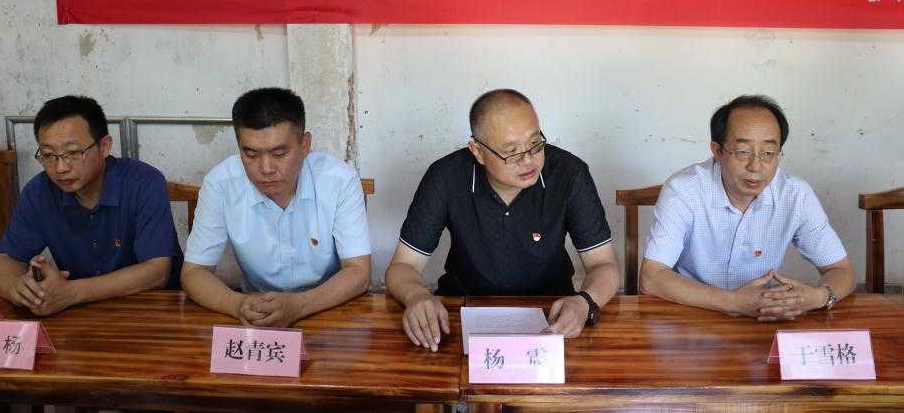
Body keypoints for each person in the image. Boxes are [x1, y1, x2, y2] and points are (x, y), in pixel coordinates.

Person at [386, 89, 619, 351]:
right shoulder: (446, 177)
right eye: (511, 151)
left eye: (535, 143)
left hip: (553, 316)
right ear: (478, 151)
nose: (528, 160)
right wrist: (417, 296)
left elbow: (604, 265)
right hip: (461, 311)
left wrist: (585, 301)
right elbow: (402, 267)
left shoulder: (569, 174)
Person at [640, 94, 856, 321]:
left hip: (762, 318)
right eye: (743, 152)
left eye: (768, 153)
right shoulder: (684, 190)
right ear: (717, 151)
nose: (756, 166)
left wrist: (817, 297)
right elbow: (652, 278)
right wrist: (733, 303)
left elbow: (842, 271)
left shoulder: (795, 195)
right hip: (692, 316)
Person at [182, 87, 371, 326]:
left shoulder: (339, 180)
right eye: (251, 154)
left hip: (328, 309)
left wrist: (299, 305)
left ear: (305, 144)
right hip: (256, 311)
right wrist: (237, 305)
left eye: (279, 153)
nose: (266, 169)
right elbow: (194, 272)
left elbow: (358, 271)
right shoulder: (221, 183)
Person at [0, 95, 182, 316]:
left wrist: (71, 293)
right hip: (79, 315)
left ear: (104, 146)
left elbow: (157, 272)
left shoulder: (144, 183)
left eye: (73, 153)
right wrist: (19, 289)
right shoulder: (39, 192)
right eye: (48, 155)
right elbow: (5, 260)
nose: (60, 168)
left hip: (149, 311)